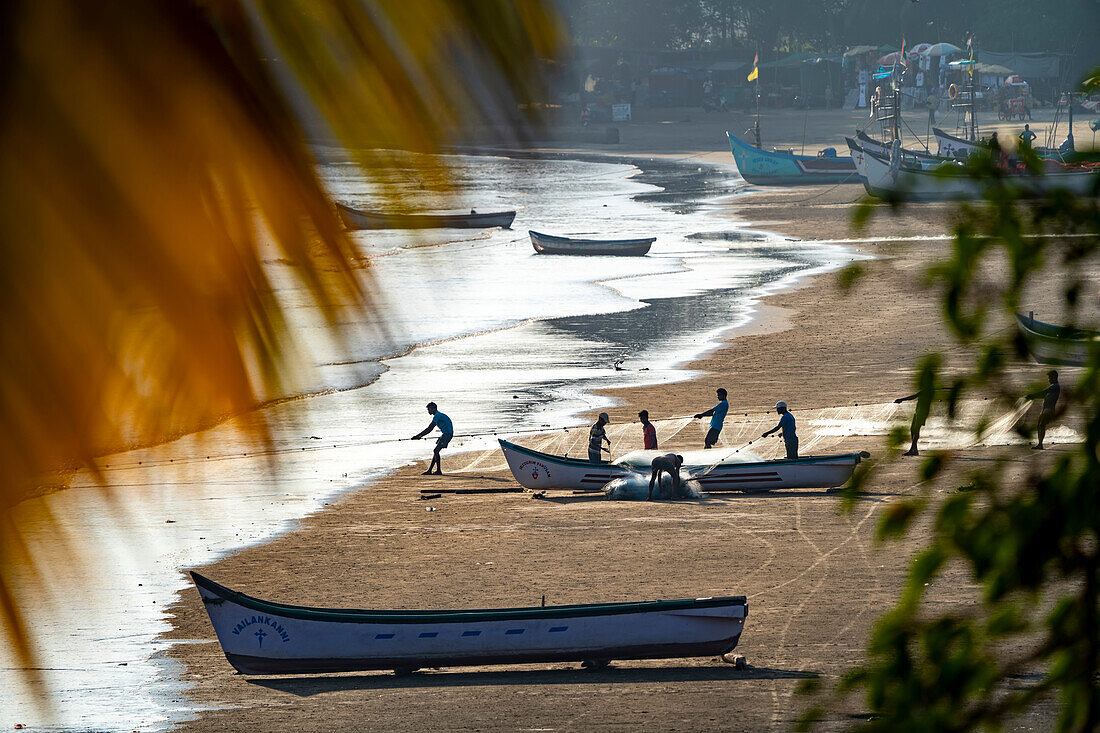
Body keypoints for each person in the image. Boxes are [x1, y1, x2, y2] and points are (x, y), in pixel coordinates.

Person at [412, 402, 453, 475]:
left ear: (433, 408)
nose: (428, 411)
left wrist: (418, 436)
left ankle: (438, 471)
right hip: (446, 434)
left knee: (436, 450)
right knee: (436, 451)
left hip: (447, 434)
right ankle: (430, 470)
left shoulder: (437, 416)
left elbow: (429, 428)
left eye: (429, 409)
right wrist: (419, 436)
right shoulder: (438, 415)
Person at [1028, 370, 1061, 449]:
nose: (1048, 379)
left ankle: (1040, 444)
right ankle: (1040, 444)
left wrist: (1032, 395)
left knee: (1041, 425)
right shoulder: (1054, 386)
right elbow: (1043, 396)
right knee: (1040, 425)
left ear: (1054, 377)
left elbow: (1044, 393)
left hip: (1048, 410)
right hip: (1045, 409)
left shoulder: (1055, 386)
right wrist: (1032, 397)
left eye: (1049, 377)